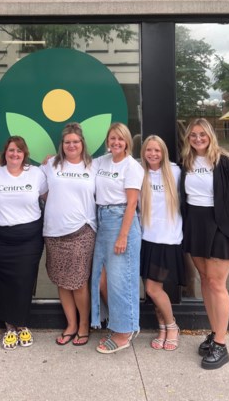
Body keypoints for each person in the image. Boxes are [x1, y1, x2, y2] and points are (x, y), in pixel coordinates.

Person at [179, 118, 229, 369]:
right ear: (188, 138)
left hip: (221, 226)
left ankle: (221, 344)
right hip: (195, 225)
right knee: (205, 280)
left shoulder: (226, 162)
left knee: (217, 283)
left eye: (202, 134)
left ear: (210, 135)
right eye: (193, 135)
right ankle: (214, 332)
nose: (198, 139)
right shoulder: (185, 162)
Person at [0, 136, 48, 350]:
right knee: (1, 281)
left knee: (24, 281)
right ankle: (9, 326)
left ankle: (22, 324)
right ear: (5, 152)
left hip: (29, 238)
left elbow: (47, 197)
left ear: (24, 153)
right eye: (11, 150)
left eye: (19, 151)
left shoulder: (36, 174)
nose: (15, 154)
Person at [42, 123, 98, 347]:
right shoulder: (50, 165)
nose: (72, 145)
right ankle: (71, 325)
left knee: (78, 281)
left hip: (82, 230)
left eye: (75, 141)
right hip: (54, 231)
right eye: (67, 142)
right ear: (61, 145)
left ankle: (84, 325)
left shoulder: (94, 166)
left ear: (82, 143)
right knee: (62, 281)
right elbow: (42, 192)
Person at [91, 122, 145, 354]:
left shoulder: (132, 166)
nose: (116, 142)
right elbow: (77, 166)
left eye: (120, 139)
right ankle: (123, 321)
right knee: (101, 279)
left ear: (127, 142)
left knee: (121, 279)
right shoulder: (101, 161)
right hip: (101, 219)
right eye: (112, 138)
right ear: (107, 140)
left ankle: (124, 331)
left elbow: (132, 202)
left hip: (121, 219)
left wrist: (123, 236)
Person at [138, 135, 184, 352]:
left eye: (157, 150)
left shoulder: (175, 172)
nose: (153, 154)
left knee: (153, 288)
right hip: (146, 238)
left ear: (163, 152)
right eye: (149, 150)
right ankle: (163, 327)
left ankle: (172, 326)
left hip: (167, 240)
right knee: (153, 290)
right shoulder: (139, 173)